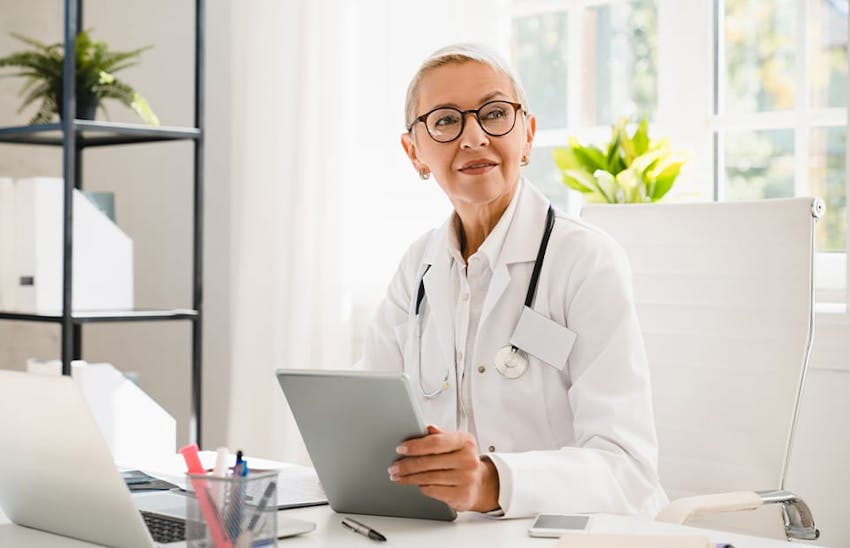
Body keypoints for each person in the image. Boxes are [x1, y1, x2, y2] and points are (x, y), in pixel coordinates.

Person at [361, 43, 667, 518]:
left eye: (495, 113)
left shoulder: (585, 260)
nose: (474, 137)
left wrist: (492, 482)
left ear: (527, 135)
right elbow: (365, 430)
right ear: (413, 152)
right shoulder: (417, 267)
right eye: (445, 120)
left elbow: (629, 473)